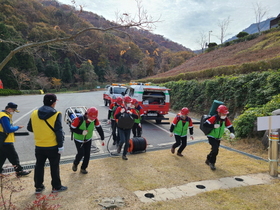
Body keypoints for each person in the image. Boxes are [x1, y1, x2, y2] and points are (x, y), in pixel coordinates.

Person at [27, 94, 67, 194]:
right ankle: (56, 187)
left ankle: (38, 187)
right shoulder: (56, 114)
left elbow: (29, 128)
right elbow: (58, 131)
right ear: (53, 103)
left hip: (39, 145)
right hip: (52, 146)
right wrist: (61, 145)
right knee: (54, 166)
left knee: (39, 166)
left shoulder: (34, 113)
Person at [0, 102, 31, 177]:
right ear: (9, 109)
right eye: (13, 110)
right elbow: (8, 129)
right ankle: (19, 171)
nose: (13, 112)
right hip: (6, 141)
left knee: (1, 157)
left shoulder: (2, 114)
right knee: (13, 157)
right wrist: (17, 127)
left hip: (2, 140)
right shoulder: (4, 117)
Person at [71, 107, 104, 174]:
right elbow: (72, 128)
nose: (92, 120)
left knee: (87, 155)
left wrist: (102, 138)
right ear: (87, 114)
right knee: (81, 153)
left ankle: (83, 168)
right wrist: (81, 132)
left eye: (93, 118)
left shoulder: (95, 120)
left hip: (88, 139)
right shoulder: (79, 119)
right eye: (91, 118)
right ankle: (75, 163)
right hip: (79, 140)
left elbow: (99, 128)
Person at [203, 105, 235, 170]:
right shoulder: (214, 118)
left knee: (215, 150)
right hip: (211, 136)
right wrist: (213, 126)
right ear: (219, 113)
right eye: (223, 113)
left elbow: (230, 127)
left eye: (225, 114)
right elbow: (205, 124)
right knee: (215, 149)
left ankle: (208, 159)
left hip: (218, 137)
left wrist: (232, 133)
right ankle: (212, 163)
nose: (225, 115)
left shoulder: (225, 119)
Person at [114, 96, 138, 160]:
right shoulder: (119, 108)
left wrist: (131, 113)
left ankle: (124, 155)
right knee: (122, 140)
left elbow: (137, 116)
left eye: (129, 102)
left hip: (128, 127)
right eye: (127, 102)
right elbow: (115, 116)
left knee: (127, 142)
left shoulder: (132, 109)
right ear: (124, 102)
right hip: (121, 127)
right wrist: (121, 112)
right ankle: (119, 146)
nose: (129, 103)